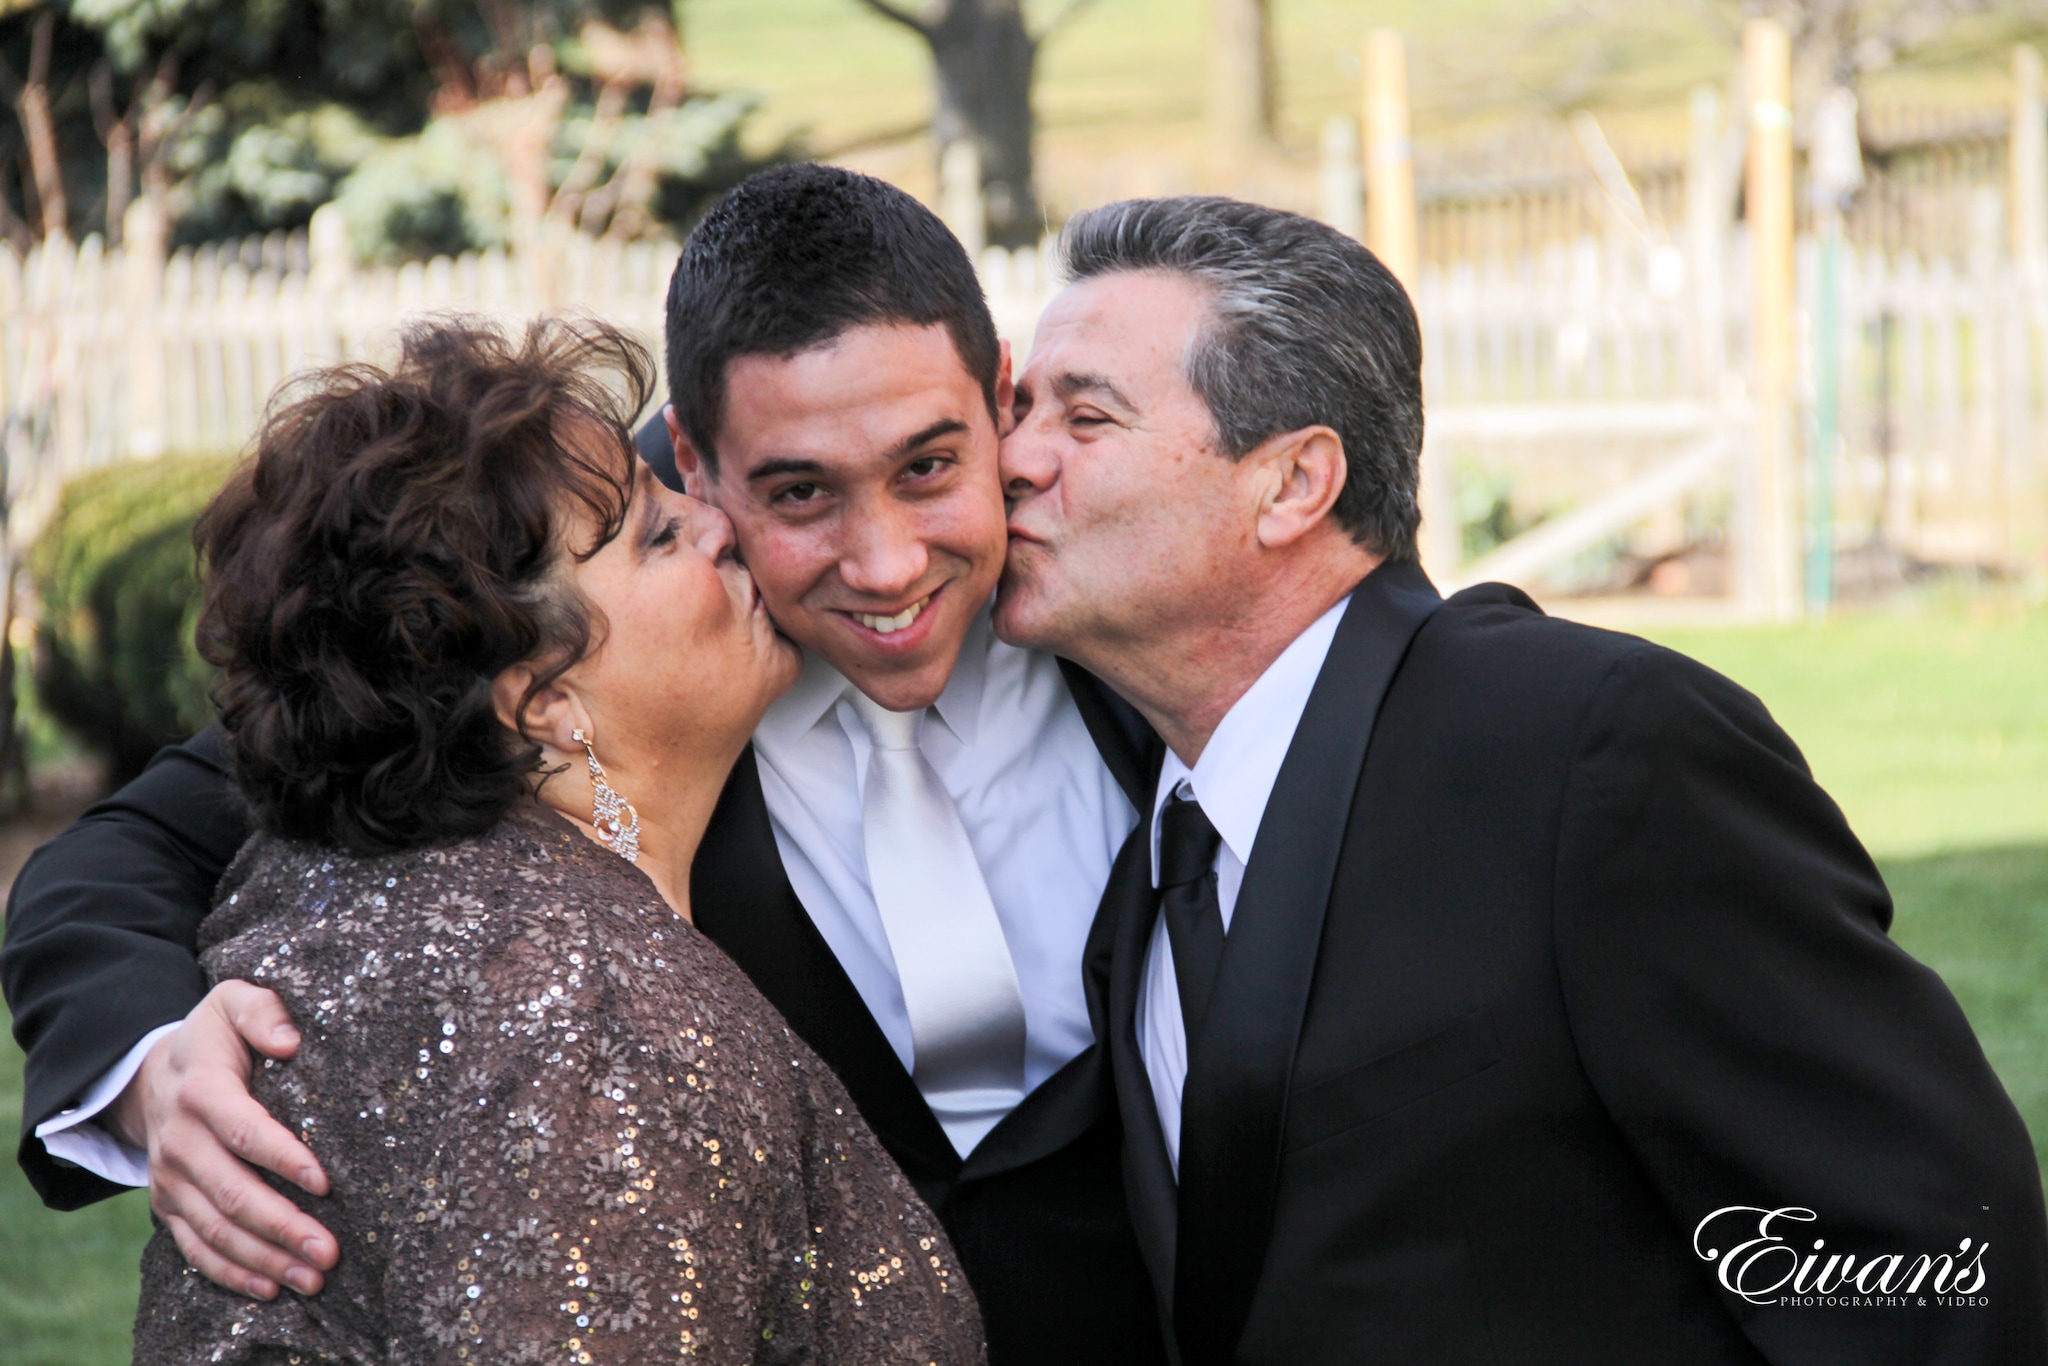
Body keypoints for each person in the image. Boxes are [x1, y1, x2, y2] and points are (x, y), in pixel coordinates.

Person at [3, 167, 1165, 1365]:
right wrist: (153, 1072)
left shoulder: (1143, 559)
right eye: (798, 491)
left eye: (927, 466)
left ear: (1000, 402)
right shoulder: (579, 585)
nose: (881, 563)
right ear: (700, 468)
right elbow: (127, 850)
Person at [993, 195, 2048, 1364]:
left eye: (1084, 417)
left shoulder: (1592, 748)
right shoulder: (1149, 812)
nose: (1012, 460)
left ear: (1292, 484)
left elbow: (1931, 1253)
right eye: (1021, 409)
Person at [124, 315, 983, 1364]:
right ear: (540, 702)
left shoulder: (334, 896)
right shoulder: (589, 1031)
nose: (720, 525)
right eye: (658, 534)